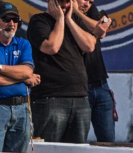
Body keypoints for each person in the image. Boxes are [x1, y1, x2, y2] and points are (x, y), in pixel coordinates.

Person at [27, 0, 96, 143]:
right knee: (50, 152)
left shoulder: (74, 20)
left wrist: (69, 20)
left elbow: (89, 46)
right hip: (51, 98)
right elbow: (51, 47)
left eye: (67, 2)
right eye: (60, 2)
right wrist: (60, 20)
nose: (64, 6)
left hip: (80, 97)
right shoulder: (39, 21)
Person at [0, 3, 39, 153]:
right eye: (6, 19)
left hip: (22, 109)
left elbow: (27, 71)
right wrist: (23, 78)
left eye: (15, 19)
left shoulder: (23, 44)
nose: (11, 23)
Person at [75, 0, 115, 142]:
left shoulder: (91, 11)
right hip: (79, 89)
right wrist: (73, 13)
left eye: (90, 1)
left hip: (101, 85)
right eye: (84, 0)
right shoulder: (65, 17)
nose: (87, 4)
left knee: (108, 142)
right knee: (77, 142)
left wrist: (77, 12)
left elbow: (101, 29)